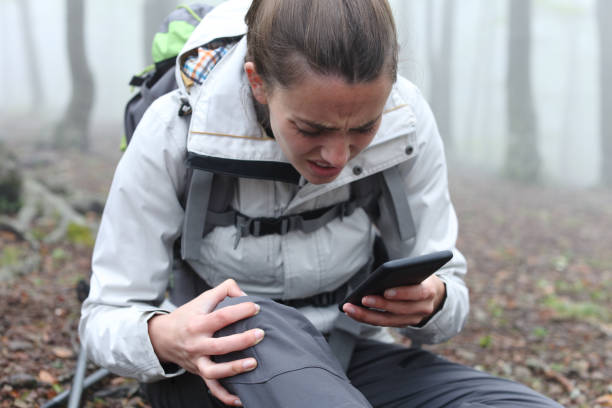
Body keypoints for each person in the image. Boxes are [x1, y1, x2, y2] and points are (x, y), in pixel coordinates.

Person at [79, 0, 563, 407]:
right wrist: (167, 337)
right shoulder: (173, 131)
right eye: (312, 129)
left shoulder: (406, 124)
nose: (337, 155)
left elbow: (449, 286)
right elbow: (104, 318)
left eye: (362, 129)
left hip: (351, 356)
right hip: (218, 368)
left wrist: (432, 301)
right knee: (249, 316)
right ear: (258, 84)